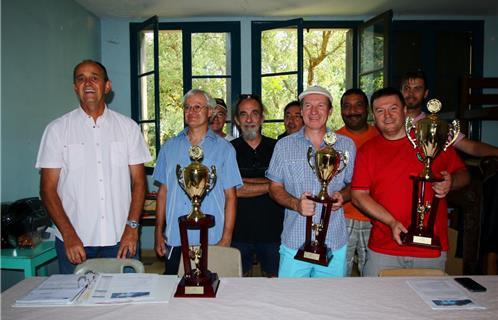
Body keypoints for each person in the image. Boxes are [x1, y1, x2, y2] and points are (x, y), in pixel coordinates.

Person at [36, 60, 151, 274]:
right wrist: (68, 234)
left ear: (107, 86)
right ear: (75, 88)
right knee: (77, 304)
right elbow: (47, 189)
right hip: (75, 241)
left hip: (121, 238)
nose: (87, 82)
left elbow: (138, 183)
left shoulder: (128, 128)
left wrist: (132, 228)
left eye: (94, 77)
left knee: (125, 302)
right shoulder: (57, 130)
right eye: (81, 78)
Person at [351, 87, 470, 277]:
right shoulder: (367, 151)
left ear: (405, 110)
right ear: (373, 116)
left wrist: (451, 181)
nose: (387, 115)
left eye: (393, 108)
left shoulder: (431, 139)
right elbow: (358, 195)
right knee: (376, 304)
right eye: (380, 111)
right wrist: (391, 222)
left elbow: (463, 173)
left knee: (427, 305)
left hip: (430, 249)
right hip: (384, 247)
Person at [267, 85, 356, 278]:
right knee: (290, 303)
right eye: (308, 106)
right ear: (301, 111)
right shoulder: (283, 146)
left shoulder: (347, 145)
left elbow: (353, 185)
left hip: (334, 242)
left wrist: (344, 196)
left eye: (320, 106)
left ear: (330, 111)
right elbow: (274, 188)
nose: (314, 111)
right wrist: (295, 204)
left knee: (330, 304)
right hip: (294, 241)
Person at [153, 89, 242, 275]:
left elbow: (231, 197)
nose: (191, 111)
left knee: (213, 295)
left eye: (197, 107)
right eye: (187, 107)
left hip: (212, 237)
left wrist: (226, 238)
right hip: (176, 237)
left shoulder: (225, 149)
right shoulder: (169, 147)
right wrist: (158, 233)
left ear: (209, 112)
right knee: (176, 294)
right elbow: (162, 193)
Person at [231, 94, 284, 277]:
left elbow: (285, 185)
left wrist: (244, 182)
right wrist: (271, 184)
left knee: (274, 284)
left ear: (262, 118)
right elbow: (234, 189)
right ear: (237, 120)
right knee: (238, 285)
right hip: (238, 232)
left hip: (274, 231)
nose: (249, 119)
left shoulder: (278, 148)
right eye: (243, 114)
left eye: (254, 113)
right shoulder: (229, 150)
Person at [400, 71, 498, 157]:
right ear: (401, 91)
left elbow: (472, 147)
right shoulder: (389, 120)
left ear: (426, 93)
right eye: (407, 88)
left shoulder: (436, 125)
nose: (411, 93)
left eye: (417, 89)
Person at [336, 88, 379, 276]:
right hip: (341, 216)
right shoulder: (332, 140)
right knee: (339, 271)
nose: (352, 111)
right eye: (347, 106)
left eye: (358, 105)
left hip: (375, 217)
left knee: (371, 274)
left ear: (367, 109)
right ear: (340, 110)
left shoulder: (381, 136)